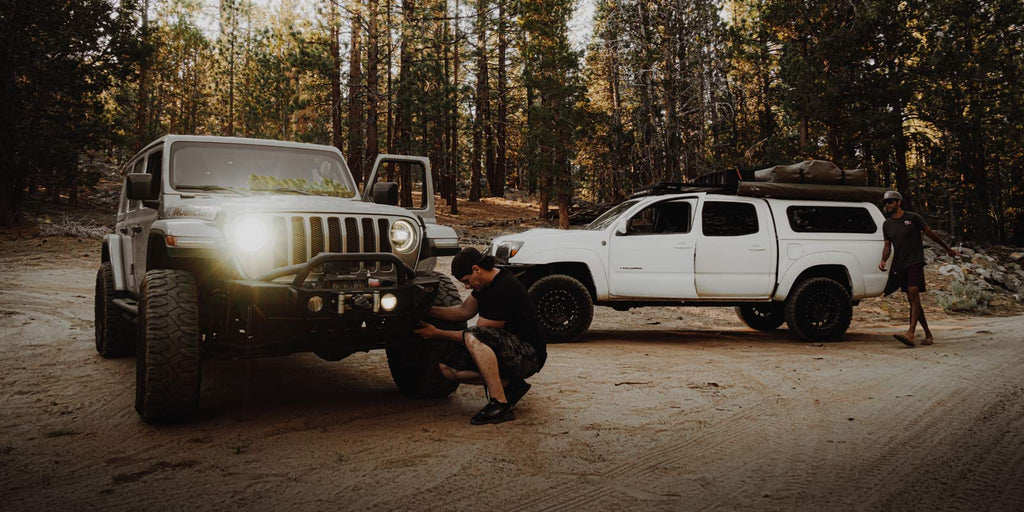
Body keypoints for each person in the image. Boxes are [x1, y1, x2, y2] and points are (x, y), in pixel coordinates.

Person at [414, 247, 546, 425]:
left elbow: (476, 336)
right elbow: (463, 311)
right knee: (447, 368)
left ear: (477, 269)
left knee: (475, 336)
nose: (467, 287)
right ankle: (510, 385)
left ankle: (500, 403)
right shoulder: (485, 283)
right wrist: (428, 311)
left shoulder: (502, 287)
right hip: (507, 350)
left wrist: (437, 333)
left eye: (467, 281)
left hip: (528, 354)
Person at [879, 190, 958, 347]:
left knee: (914, 293)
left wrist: (947, 248)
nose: (887, 205)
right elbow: (887, 245)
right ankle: (928, 334)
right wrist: (883, 260)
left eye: (890, 202)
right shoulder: (887, 224)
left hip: (915, 261)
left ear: (898, 202)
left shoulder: (913, 218)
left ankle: (910, 333)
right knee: (912, 299)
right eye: (885, 203)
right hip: (900, 264)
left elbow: (930, 233)